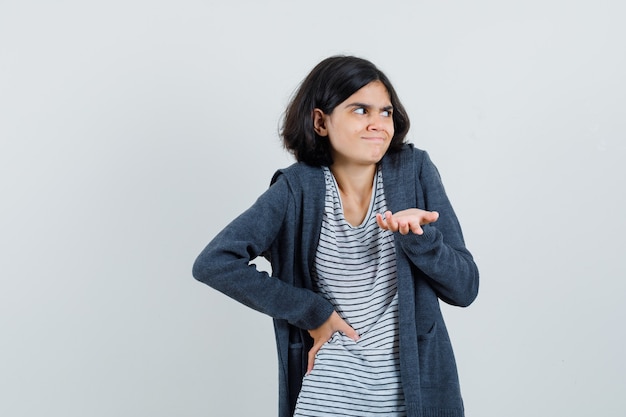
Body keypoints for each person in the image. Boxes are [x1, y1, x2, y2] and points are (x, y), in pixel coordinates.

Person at [192, 55, 479, 417]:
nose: (378, 124)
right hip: (329, 398)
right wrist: (313, 313)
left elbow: (465, 288)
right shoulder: (297, 189)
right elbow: (214, 263)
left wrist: (421, 240)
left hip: (415, 399)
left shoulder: (415, 171)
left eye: (386, 112)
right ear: (320, 121)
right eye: (361, 110)